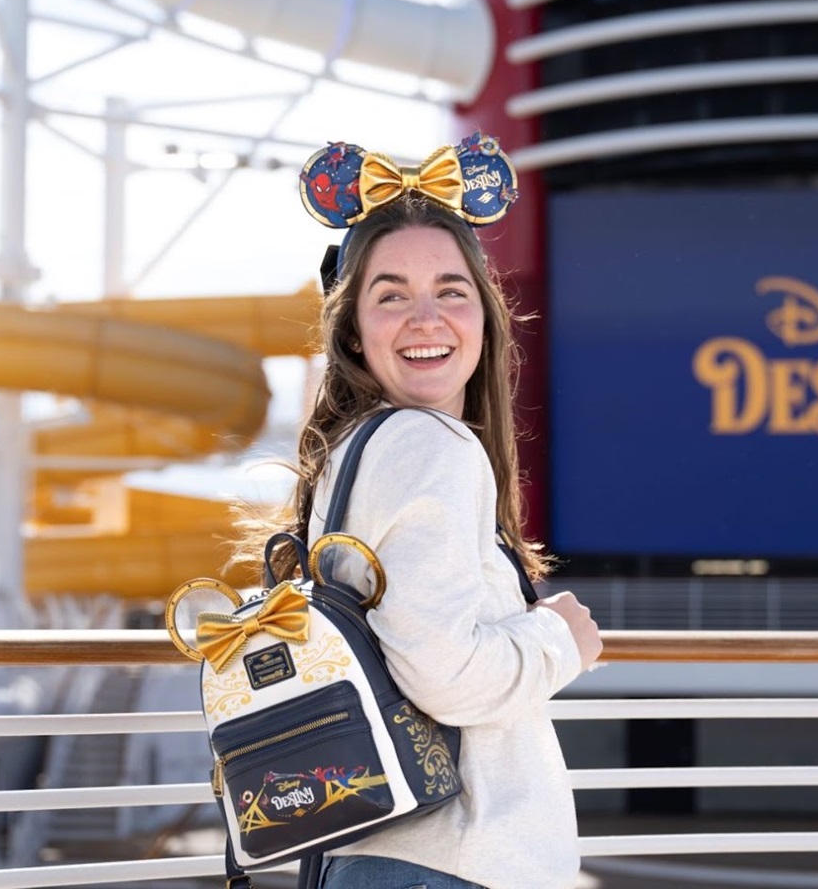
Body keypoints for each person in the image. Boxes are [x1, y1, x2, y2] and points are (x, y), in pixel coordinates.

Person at [257, 135, 603, 889]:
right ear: (353, 329)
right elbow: (447, 678)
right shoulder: (427, 446)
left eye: (452, 290)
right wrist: (561, 640)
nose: (426, 318)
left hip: (384, 856)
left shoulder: (356, 448)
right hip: (446, 865)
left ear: (484, 314)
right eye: (391, 295)